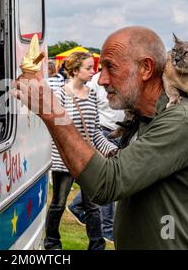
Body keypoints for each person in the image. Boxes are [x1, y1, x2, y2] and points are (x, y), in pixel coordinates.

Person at [12, 26, 188, 249]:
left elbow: (106, 184)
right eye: (100, 69)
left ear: (146, 68)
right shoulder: (147, 116)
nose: (101, 80)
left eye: (110, 67)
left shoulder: (184, 120)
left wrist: (51, 111)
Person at [45, 52, 117, 251]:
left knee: (93, 206)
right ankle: (52, 244)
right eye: (88, 68)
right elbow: (58, 131)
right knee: (58, 204)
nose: (92, 71)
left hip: (87, 161)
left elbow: (94, 132)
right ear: (75, 70)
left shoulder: (92, 94)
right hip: (64, 161)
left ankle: (97, 245)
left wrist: (112, 150)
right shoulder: (59, 95)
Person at [67, 68, 125, 243]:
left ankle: (76, 206)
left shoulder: (125, 77)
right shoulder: (98, 82)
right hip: (104, 133)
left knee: (108, 179)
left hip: (120, 134)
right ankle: (107, 228)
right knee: (108, 180)